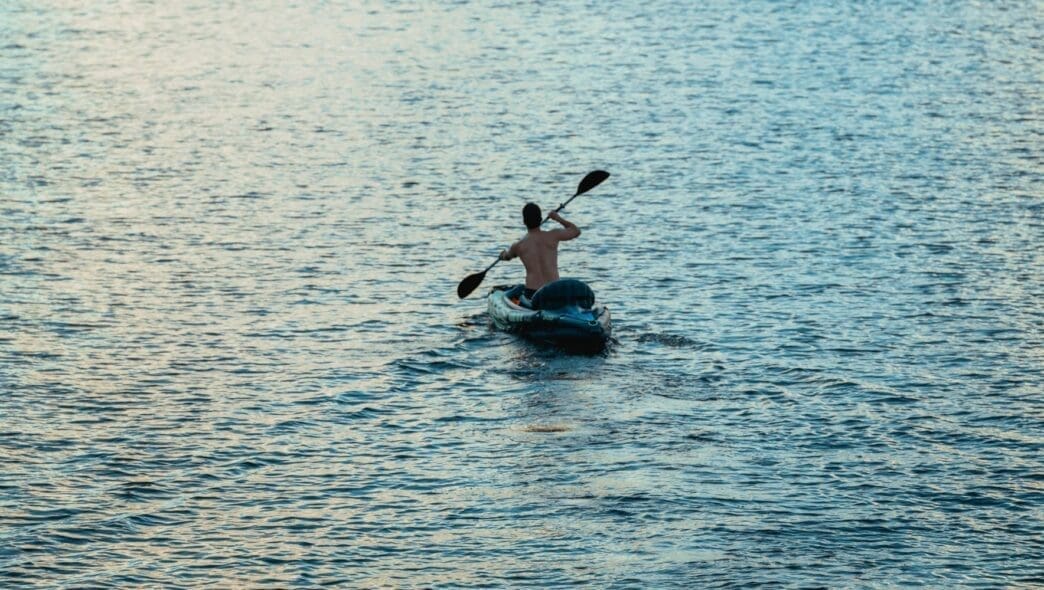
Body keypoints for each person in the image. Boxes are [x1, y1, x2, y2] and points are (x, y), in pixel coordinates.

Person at [499, 202, 581, 305]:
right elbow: (576, 231)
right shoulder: (553, 235)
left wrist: (502, 255)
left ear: (524, 222)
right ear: (541, 219)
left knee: (519, 292)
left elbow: (507, 256)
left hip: (533, 293)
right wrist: (557, 218)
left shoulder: (518, 246)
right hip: (554, 290)